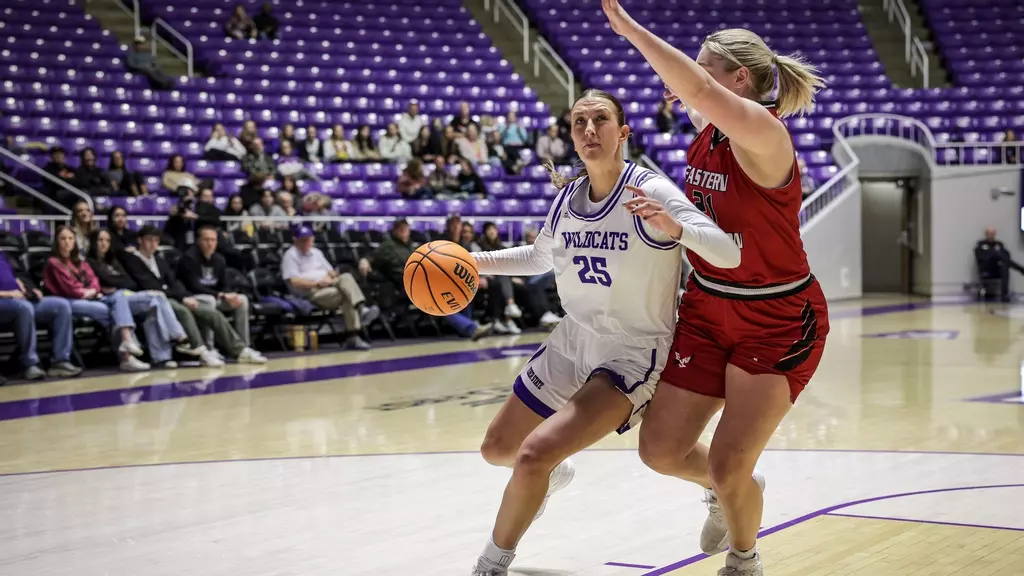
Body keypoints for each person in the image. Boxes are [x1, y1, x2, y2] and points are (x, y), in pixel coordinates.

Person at [467, 88, 740, 576]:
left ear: (623, 133)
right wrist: (470, 262)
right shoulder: (569, 197)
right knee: (498, 450)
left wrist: (678, 230)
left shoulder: (649, 191)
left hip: (633, 349)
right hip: (574, 338)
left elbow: (726, 251)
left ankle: (491, 563)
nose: (589, 130)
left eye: (600, 120)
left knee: (533, 454)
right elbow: (537, 258)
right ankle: (554, 478)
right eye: (579, 123)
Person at [601, 3, 831, 576]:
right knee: (659, 451)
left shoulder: (763, 132)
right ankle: (726, 491)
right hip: (706, 305)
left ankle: (744, 559)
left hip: (776, 315)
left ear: (739, 80)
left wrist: (630, 31)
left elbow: (697, 89)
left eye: (705, 71)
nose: (683, 89)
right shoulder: (705, 137)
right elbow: (696, 97)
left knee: (730, 463)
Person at [126, 226, 267, 365]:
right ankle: (203, 351)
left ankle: (241, 350)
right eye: (149, 240)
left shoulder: (159, 260)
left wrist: (184, 296)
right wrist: (182, 297)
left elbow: (174, 283)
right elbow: (149, 285)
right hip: (151, 300)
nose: (153, 244)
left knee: (213, 314)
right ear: (140, 241)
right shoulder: (133, 260)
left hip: (172, 296)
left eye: (156, 241)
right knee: (184, 311)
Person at [86, 228, 201, 368]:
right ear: (93, 242)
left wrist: (114, 282)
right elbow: (105, 280)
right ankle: (177, 337)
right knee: (155, 299)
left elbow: (130, 283)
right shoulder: (90, 262)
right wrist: (115, 281)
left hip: (126, 295)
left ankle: (161, 357)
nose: (104, 243)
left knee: (157, 300)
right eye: (100, 240)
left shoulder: (113, 260)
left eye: (107, 240)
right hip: (111, 299)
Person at [43, 226, 151, 372]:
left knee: (119, 297)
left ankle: (127, 344)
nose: (67, 242)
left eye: (70, 238)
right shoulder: (53, 262)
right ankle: (126, 355)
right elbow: (68, 288)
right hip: (67, 301)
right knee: (113, 311)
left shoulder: (79, 261)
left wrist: (93, 290)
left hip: (90, 297)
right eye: (63, 238)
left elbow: (94, 279)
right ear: (56, 241)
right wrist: (87, 292)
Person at [281, 226, 381, 350]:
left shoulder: (316, 253)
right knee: (346, 294)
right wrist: (316, 284)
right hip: (310, 293)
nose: (306, 242)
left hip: (328, 286)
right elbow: (293, 281)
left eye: (308, 239)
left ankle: (358, 316)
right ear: (295, 240)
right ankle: (357, 323)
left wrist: (330, 278)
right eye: (303, 240)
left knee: (346, 277)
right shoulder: (290, 255)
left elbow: (331, 272)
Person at [0, 253, 81, 380]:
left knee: (61, 306)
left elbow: (19, 275)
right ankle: (29, 363)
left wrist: (30, 288)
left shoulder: (3, 256)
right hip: (5, 302)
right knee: (24, 308)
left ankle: (60, 361)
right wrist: (7, 294)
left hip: (21, 298)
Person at [178, 226, 252, 346]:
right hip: (193, 298)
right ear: (198, 241)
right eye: (206, 240)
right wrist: (221, 295)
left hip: (216, 296)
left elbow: (224, 284)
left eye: (213, 240)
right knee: (210, 301)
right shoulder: (189, 258)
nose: (210, 243)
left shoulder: (219, 259)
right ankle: (209, 347)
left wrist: (229, 294)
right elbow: (194, 286)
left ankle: (243, 346)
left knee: (242, 300)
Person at [975, 226, 1024, 301]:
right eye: (989, 234)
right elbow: (982, 258)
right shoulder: (981, 245)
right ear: (986, 234)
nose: (991, 236)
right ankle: (1021, 269)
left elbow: (1007, 255)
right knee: (1000, 258)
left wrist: (997, 254)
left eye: (993, 234)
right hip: (987, 268)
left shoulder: (999, 244)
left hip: (998, 269)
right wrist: (995, 254)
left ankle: (1004, 294)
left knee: (1004, 265)